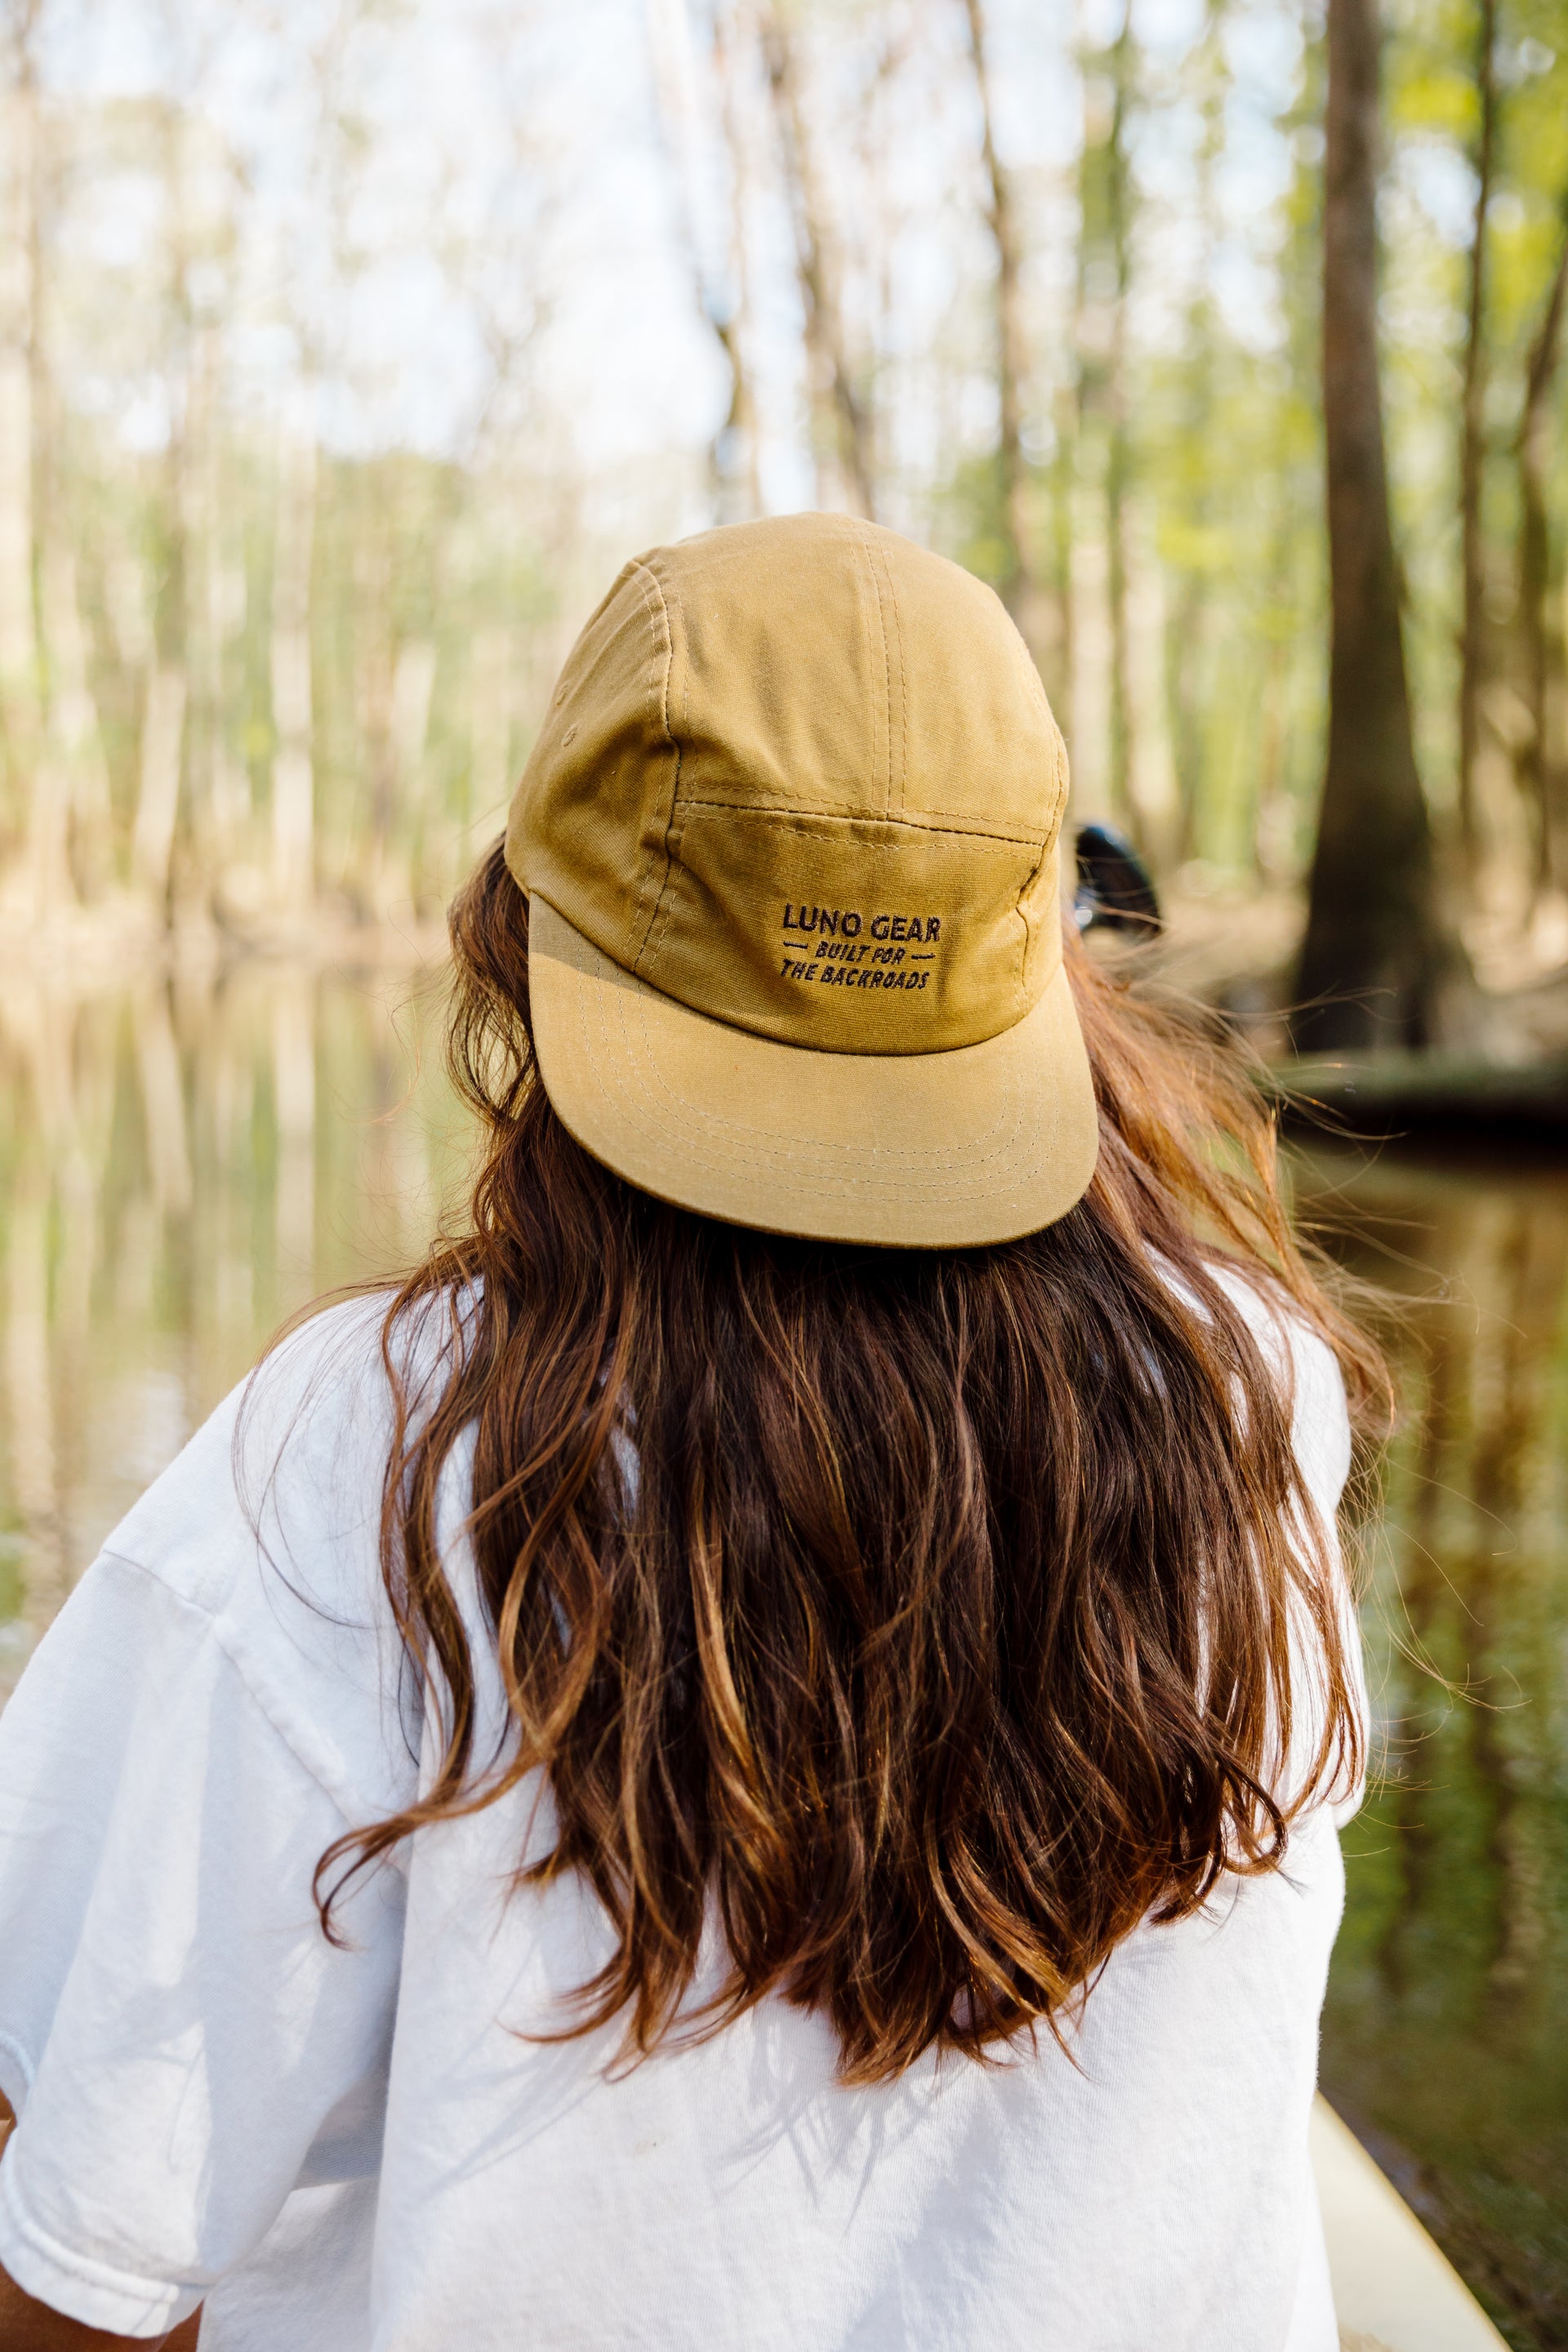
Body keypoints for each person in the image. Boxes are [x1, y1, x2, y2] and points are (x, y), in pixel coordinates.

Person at [0, 514, 1381, 2350]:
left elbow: (82, 2254)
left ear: (519, 938)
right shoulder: (1256, 1391)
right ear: (1048, 969)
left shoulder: (355, 1466)